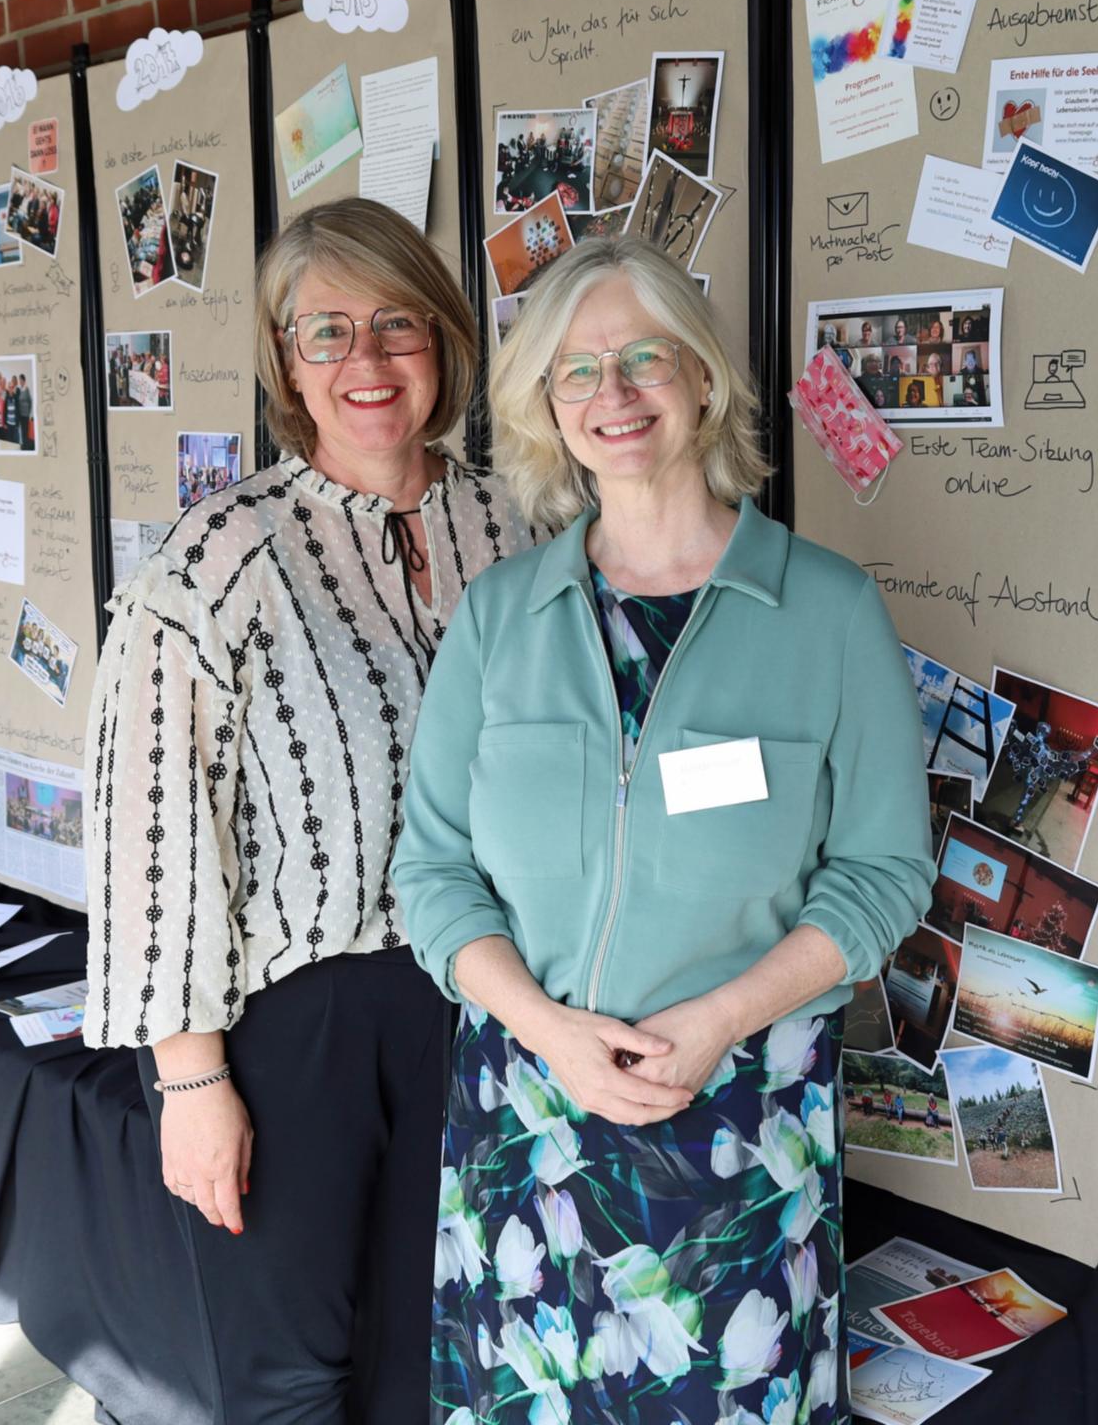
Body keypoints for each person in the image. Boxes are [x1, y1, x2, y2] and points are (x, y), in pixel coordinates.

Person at [396, 235, 934, 1424]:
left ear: (703, 378)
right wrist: (544, 1029)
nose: (614, 394)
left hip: (737, 1119)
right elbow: (432, 874)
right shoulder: (495, 619)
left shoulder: (829, 612)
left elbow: (887, 873)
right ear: (546, 408)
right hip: (526, 1114)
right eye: (577, 372)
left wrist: (718, 1019)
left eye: (644, 357)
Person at [81, 197, 530, 1423]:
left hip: (490, 1006)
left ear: (443, 339)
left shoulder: (519, 528)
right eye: (324, 333)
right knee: (285, 1372)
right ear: (284, 362)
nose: (367, 362)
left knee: (443, 1344)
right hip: (301, 1025)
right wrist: (187, 1084)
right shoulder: (218, 557)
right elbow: (151, 830)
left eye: (396, 324)